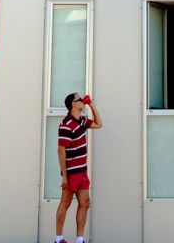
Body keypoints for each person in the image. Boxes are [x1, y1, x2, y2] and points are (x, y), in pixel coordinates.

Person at [55, 92, 102, 243]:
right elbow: (61, 150)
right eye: (80, 99)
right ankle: (58, 239)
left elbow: (98, 124)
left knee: (85, 203)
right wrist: (64, 175)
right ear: (73, 104)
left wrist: (91, 105)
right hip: (71, 172)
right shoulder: (65, 124)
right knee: (66, 202)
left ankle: (79, 239)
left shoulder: (81, 121)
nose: (83, 100)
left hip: (82, 170)